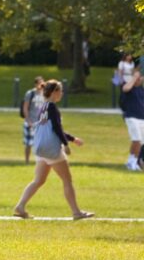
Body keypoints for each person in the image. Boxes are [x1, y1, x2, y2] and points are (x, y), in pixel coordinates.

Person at [13, 80, 94, 220]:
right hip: (52, 150)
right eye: (60, 91)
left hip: (41, 149)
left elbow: (50, 128)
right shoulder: (52, 107)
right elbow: (57, 128)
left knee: (38, 180)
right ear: (55, 92)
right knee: (67, 180)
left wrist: (73, 139)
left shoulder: (43, 107)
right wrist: (66, 144)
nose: (62, 93)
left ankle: (20, 207)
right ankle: (76, 212)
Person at [120, 69, 144, 172]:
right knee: (136, 140)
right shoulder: (129, 87)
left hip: (141, 118)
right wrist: (134, 78)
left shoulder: (141, 90)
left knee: (140, 142)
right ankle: (132, 162)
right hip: (132, 117)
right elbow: (125, 88)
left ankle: (132, 161)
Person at [20, 76, 46, 164]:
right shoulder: (30, 93)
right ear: (35, 84)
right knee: (29, 143)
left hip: (40, 122)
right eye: (39, 83)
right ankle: (27, 161)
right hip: (30, 121)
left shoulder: (45, 94)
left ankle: (40, 161)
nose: (41, 85)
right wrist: (28, 121)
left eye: (42, 83)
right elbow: (25, 108)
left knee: (40, 143)